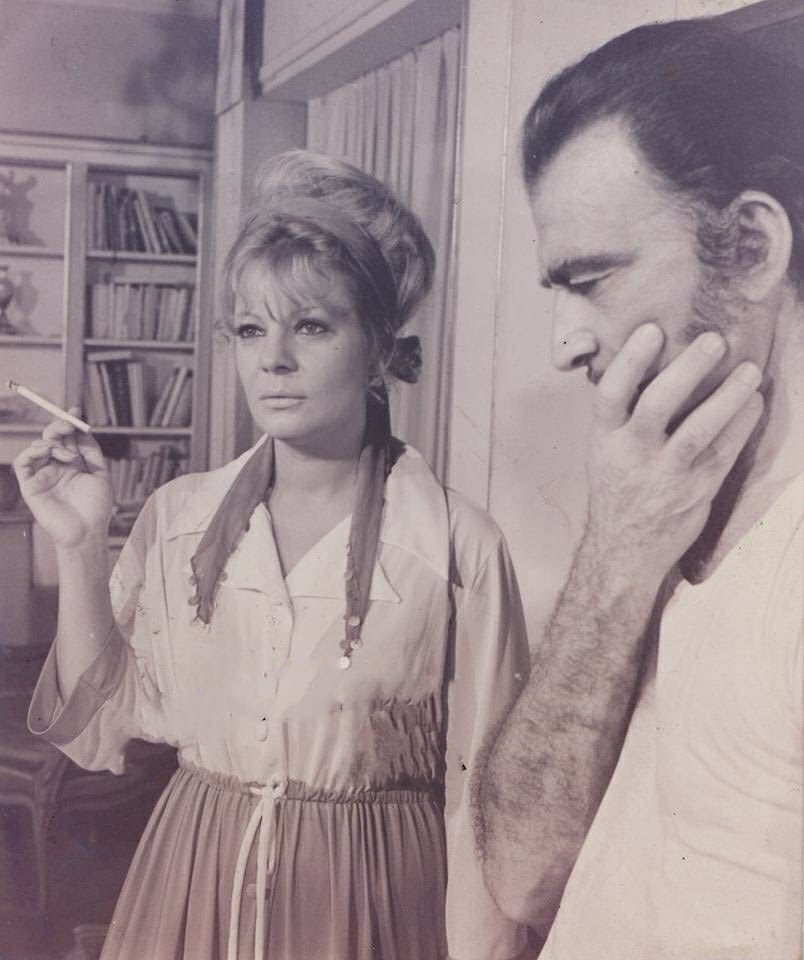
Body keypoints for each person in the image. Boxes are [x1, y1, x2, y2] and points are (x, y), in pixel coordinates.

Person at [16, 150, 530, 960]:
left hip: (372, 901)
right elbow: (101, 729)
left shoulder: (455, 545)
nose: (273, 359)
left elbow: (489, 806)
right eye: (252, 329)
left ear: (379, 348)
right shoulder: (179, 518)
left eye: (312, 326)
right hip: (196, 879)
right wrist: (80, 547)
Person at [476, 18, 803, 959]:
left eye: (592, 280)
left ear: (751, 247)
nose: (564, 343)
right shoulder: (661, 491)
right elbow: (522, 876)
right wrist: (617, 553)